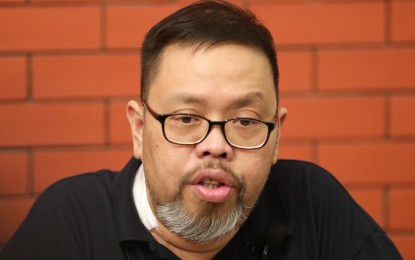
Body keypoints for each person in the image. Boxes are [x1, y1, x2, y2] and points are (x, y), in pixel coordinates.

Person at [0, 1, 402, 259]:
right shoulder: (72, 224)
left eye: (244, 121)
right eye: (186, 118)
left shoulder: (313, 205)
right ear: (139, 129)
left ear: (275, 135)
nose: (215, 146)